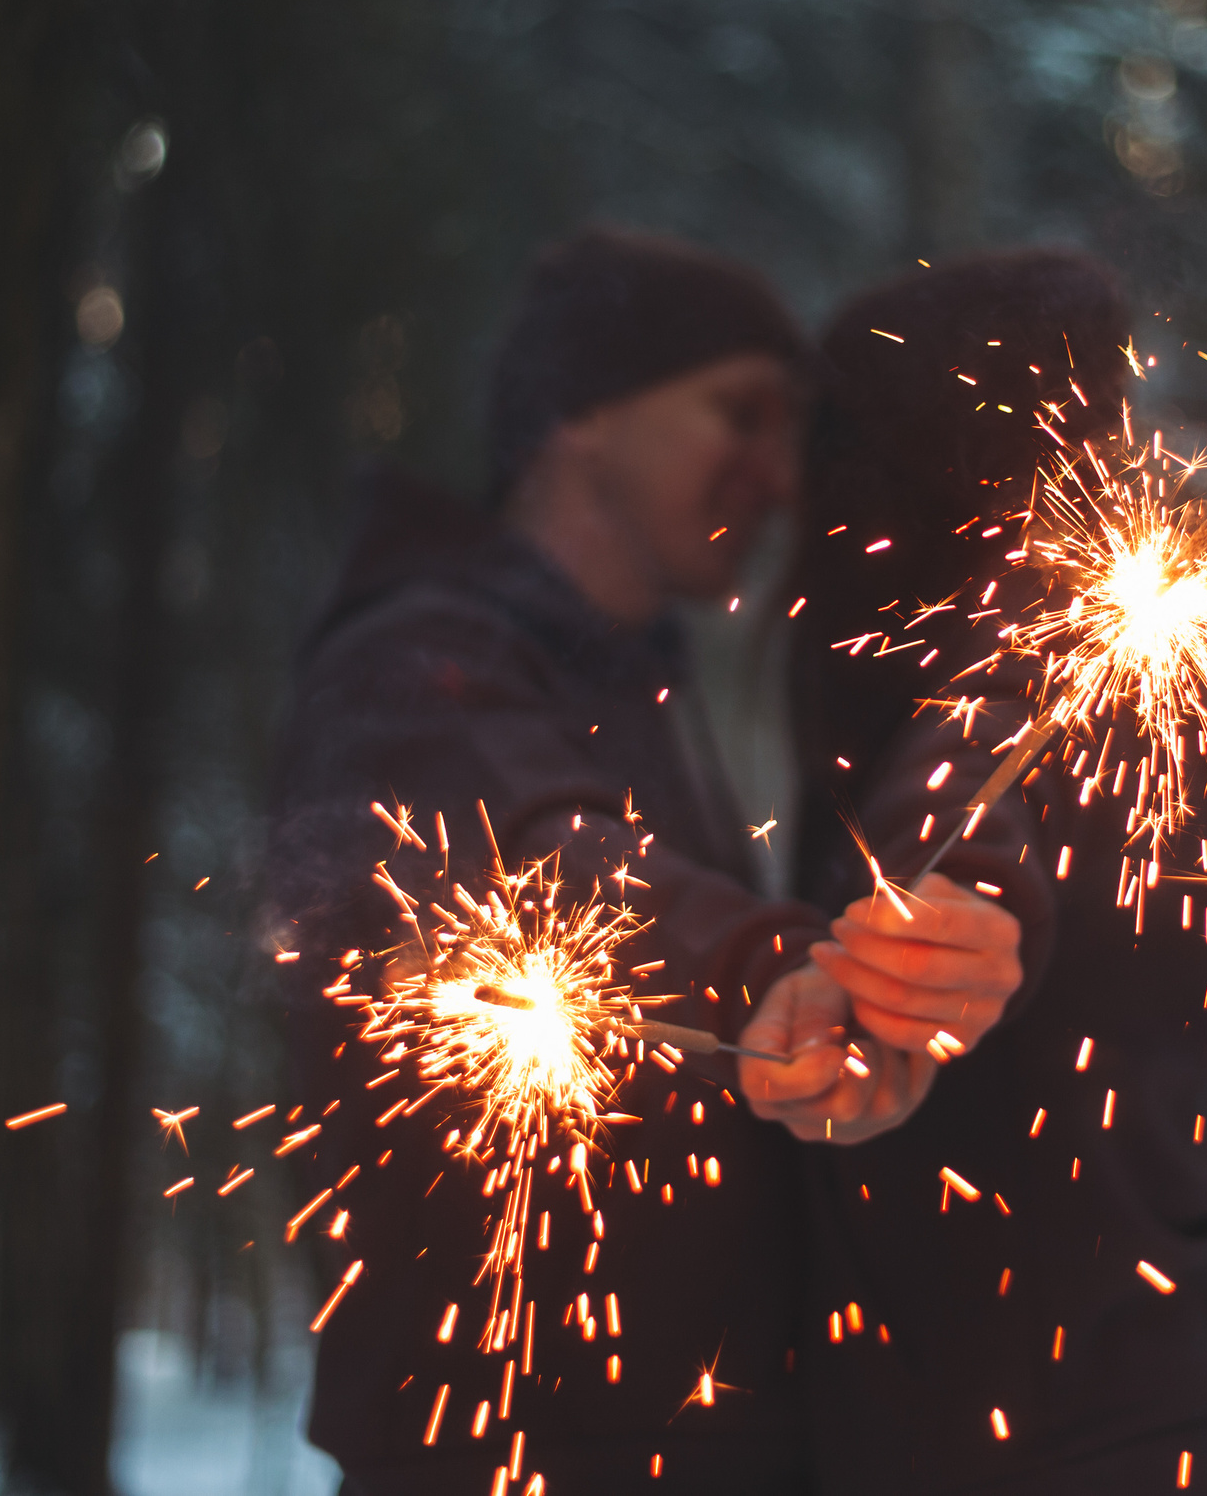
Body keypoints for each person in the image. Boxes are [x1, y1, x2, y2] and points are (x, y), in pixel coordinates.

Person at [265, 228, 1025, 1495]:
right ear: (581, 412)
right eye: (740, 415)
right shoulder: (409, 664)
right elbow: (531, 864)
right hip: (513, 1462)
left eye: (793, 433)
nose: (777, 478)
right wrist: (777, 974)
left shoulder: (638, 683)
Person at [780, 251, 1207, 1494]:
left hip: (1032, 1453)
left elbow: (958, 836)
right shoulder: (1139, 702)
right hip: (1169, 1424)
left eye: (846, 448)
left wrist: (938, 932)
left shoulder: (999, 693)